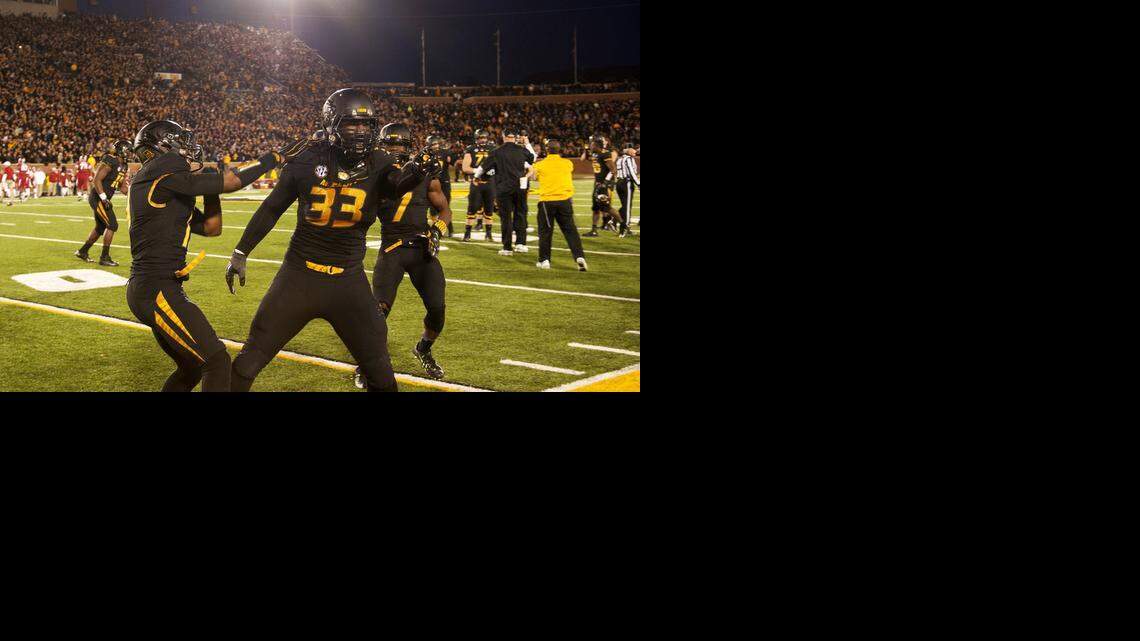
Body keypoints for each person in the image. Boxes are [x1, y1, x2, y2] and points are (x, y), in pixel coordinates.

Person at [224, 89, 433, 393]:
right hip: (299, 276)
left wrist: (417, 172)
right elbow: (272, 207)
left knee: (382, 375)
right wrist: (241, 251)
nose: (361, 132)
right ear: (331, 124)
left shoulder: (380, 161)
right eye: (351, 124)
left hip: (348, 281)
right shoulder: (308, 158)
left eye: (366, 125)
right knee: (246, 363)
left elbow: (397, 184)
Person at [125, 119, 293, 392]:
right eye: (179, 142)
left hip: (156, 286)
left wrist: (209, 188)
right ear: (161, 147)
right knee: (216, 361)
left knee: (191, 368)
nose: (187, 148)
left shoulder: (165, 185)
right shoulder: (159, 173)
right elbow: (231, 182)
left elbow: (212, 228)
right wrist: (273, 158)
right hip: (155, 287)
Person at [364, 122, 453, 382]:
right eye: (389, 144)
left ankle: (423, 349)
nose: (393, 150)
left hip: (421, 249)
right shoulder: (375, 174)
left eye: (399, 144)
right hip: (391, 248)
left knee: (437, 309)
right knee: (378, 313)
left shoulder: (426, 175)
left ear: (408, 146)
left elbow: (444, 210)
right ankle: (367, 362)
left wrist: (436, 230)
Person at [474, 127, 535, 256]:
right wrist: (527, 143)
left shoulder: (497, 152)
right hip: (520, 187)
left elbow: (483, 168)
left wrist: (476, 177)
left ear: (504, 136)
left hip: (503, 188)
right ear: (515, 137)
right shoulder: (522, 150)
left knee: (506, 217)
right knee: (521, 215)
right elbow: (533, 158)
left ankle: (507, 247)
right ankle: (521, 244)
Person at [531, 139, 587, 271]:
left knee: (545, 232)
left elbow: (533, 177)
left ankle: (544, 260)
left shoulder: (541, 164)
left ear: (546, 150)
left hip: (547, 202)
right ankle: (579, 256)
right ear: (559, 149)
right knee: (571, 231)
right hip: (565, 201)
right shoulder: (567, 163)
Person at [75, 139, 131, 266]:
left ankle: (83, 251)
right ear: (121, 150)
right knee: (112, 225)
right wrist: (104, 197)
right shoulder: (110, 160)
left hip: (104, 198)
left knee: (100, 228)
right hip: (98, 197)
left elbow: (122, 187)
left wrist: (135, 193)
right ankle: (104, 257)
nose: (130, 154)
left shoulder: (124, 166)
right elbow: (97, 180)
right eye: (128, 151)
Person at [461, 128, 495, 241]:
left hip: (490, 183)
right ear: (476, 138)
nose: (483, 139)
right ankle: (467, 233)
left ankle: (488, 233)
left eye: (485, 137)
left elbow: (498, 164)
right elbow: (465, 168)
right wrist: (479, 171)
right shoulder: (470, 149)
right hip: (476, 183)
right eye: (481, 137)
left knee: (489, 210)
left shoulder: (493, 148)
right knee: (472, 209)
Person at [584, 134, 620, 237]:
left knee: (607, 208)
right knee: (595, 208)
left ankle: (624, 225)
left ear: (596, 144)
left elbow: (613, 170)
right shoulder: (596, 154)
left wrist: (606, 183)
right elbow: (588, 158)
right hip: (598, 184)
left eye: (591, 144)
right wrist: (586, 149)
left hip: (605, 185)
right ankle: (594, 230)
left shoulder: (606, 154)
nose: (590, 145)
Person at [615, 144, 639, 235]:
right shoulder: (629, 159)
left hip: (619, 183)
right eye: (633, 150)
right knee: (627, 207)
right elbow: (631, 173)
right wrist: (639, 184)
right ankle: (625, 228)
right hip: (626, 183)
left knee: (625, 206)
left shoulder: (620, 159)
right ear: (628, 150)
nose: (635, 151)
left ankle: (614, 221)